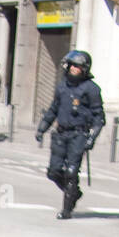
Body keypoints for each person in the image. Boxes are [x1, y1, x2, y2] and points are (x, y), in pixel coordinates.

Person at [36, 49, 104, 220]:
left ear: (85, 69)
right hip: (61, 135)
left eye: (78, 66)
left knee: (72, 172)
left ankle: (67, 210)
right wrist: (42, 127)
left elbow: (99, 117)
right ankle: (73, 192)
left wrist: (92, 137)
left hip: (78, 135)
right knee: (53, 172)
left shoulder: (92, 89)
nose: (74, 69)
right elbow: (53, 109)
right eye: (72, 65)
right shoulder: (62, 86)